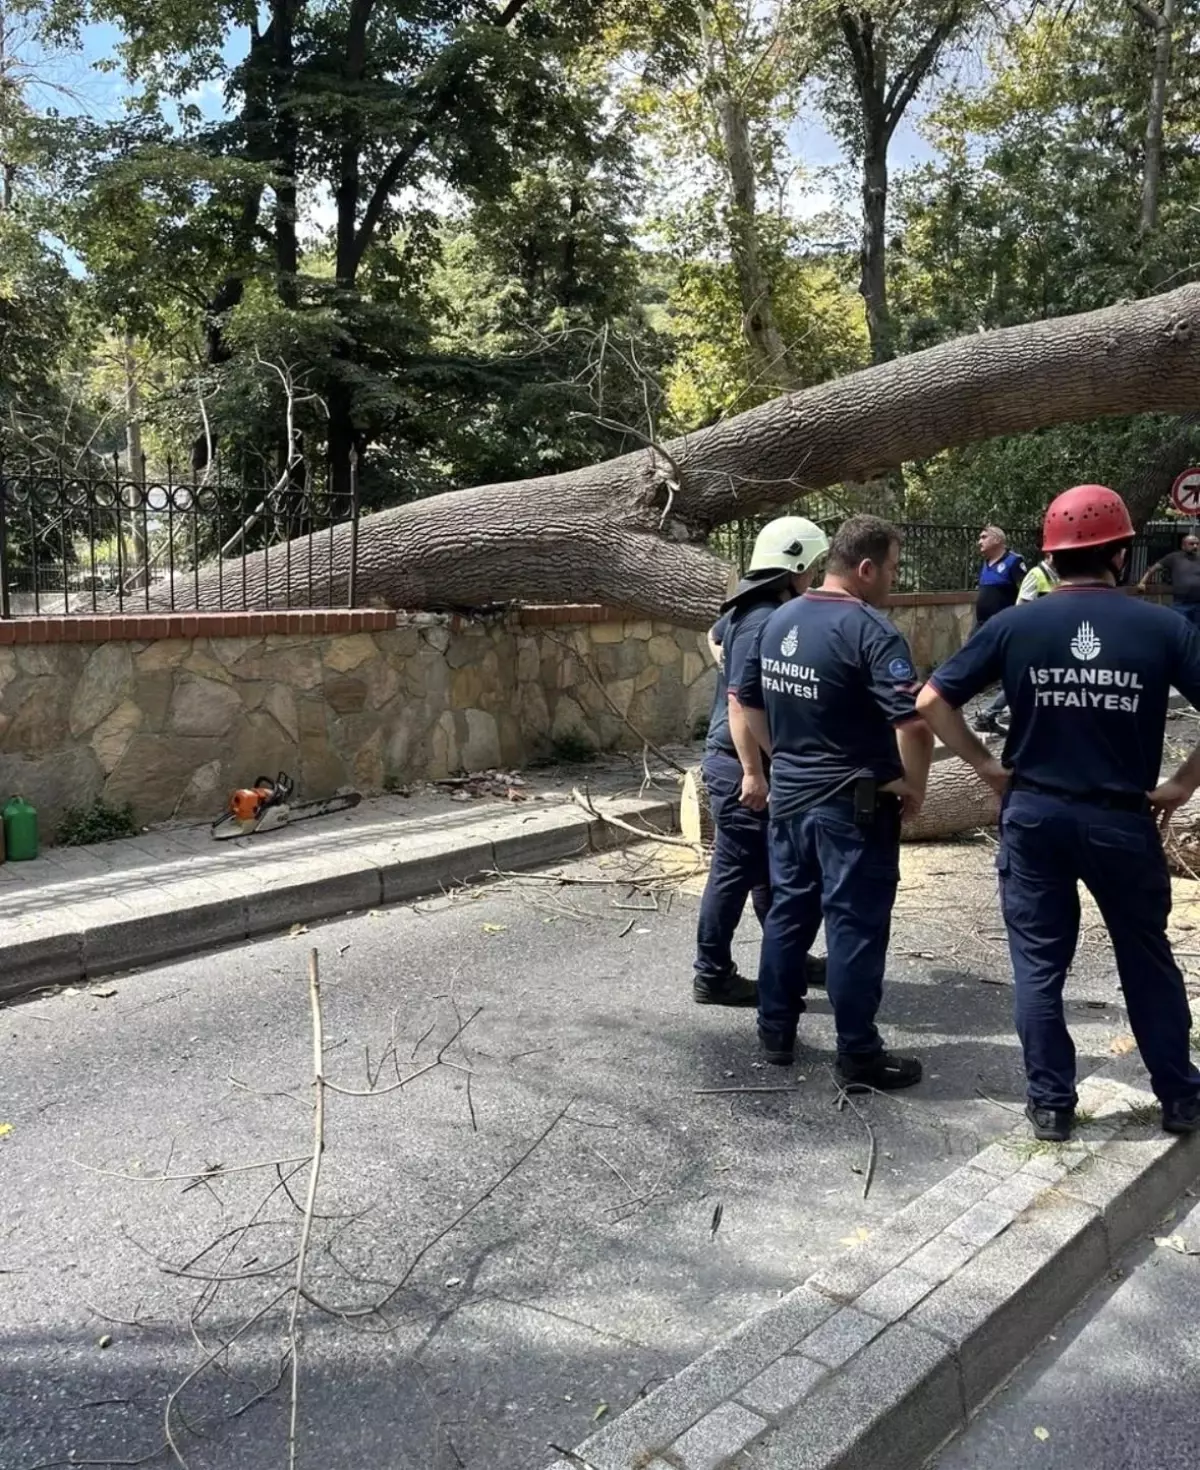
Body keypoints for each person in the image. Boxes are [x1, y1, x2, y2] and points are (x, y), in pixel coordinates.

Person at [917, 484, 1200, 1143]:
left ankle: (1051, 1105)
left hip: (1035, 818)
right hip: (1121, 820)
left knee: (1039, 967)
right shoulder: (1163, 628)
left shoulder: (1017, 625)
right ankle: (1181, 1099)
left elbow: (931, 700)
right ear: (1121, 555)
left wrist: (987, 768)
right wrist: (1183, 784)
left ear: (1052, 559)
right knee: (1146, 958)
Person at [732, 515, 934, 1087]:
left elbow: (747, 704)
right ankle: (859, 1056)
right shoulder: (871, 630)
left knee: (789, 916)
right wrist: (913, 788)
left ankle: (776, 1034)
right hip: (853, 807)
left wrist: (788, 758)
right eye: (892, 568)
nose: (894, 579)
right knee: (855, 927)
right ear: (865, 568)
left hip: (791, 798)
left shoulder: (776, 621)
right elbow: (914, 726)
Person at [693, 516, 831, 1005]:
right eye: (811, 566)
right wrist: (754, 771)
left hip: (744, 761)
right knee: (733, 872)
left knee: (769, 870)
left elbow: (711, 639)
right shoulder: (760, 618)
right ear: (791, 567)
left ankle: (787, 954)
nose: (814, 575)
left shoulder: (745, 610)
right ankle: (712, 974)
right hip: (739, 765)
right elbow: (738, 701)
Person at [972, 526, 1028, 734]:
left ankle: (993, 713)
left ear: (997, 540)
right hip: (981, 624)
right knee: (968, 662)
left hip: (1005, 627)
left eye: (984, 537)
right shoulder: (985, 564)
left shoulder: (1014, 562)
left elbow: (1025, 592)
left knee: (1012, 671)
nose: (980, 541)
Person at [1138, 531, 1200, 627]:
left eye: (1197, 544)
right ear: (1183, 546)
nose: (1195, 546)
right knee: (1179, 628)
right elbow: (1154, 568)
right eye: (1191, 544)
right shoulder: (1174, 557)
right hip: (1181, 603)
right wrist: (1142, 582)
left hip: (1198, 603)